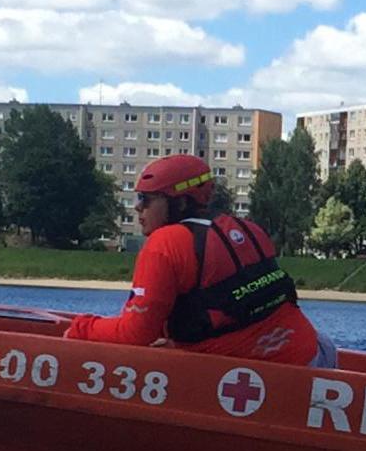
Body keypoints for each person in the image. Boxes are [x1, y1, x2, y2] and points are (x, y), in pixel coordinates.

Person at [63, 153, 335, 367]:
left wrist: (80, 328)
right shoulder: (250, 229)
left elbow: (135, 335)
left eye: (145, 199)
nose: (137, 207)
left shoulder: (165, 244)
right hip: (317, 354)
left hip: (272, 380)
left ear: (179, 203)